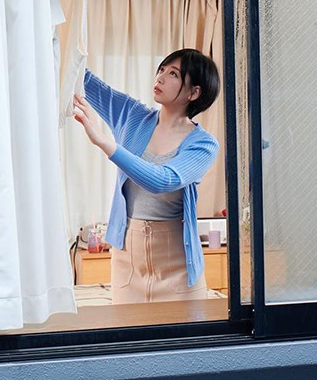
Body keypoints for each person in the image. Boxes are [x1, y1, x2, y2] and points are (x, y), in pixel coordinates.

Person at [72, 49, 221, 304]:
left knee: (186, 331)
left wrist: (105, 143)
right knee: (127, 331)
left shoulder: (204, 144)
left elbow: (163, 180)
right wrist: (61, 40)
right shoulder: (132, 115)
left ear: (194, 92)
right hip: (128, 263)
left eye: (173, 74)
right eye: (161, 69)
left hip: (178, 268)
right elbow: (80, 78)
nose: (160, 77)